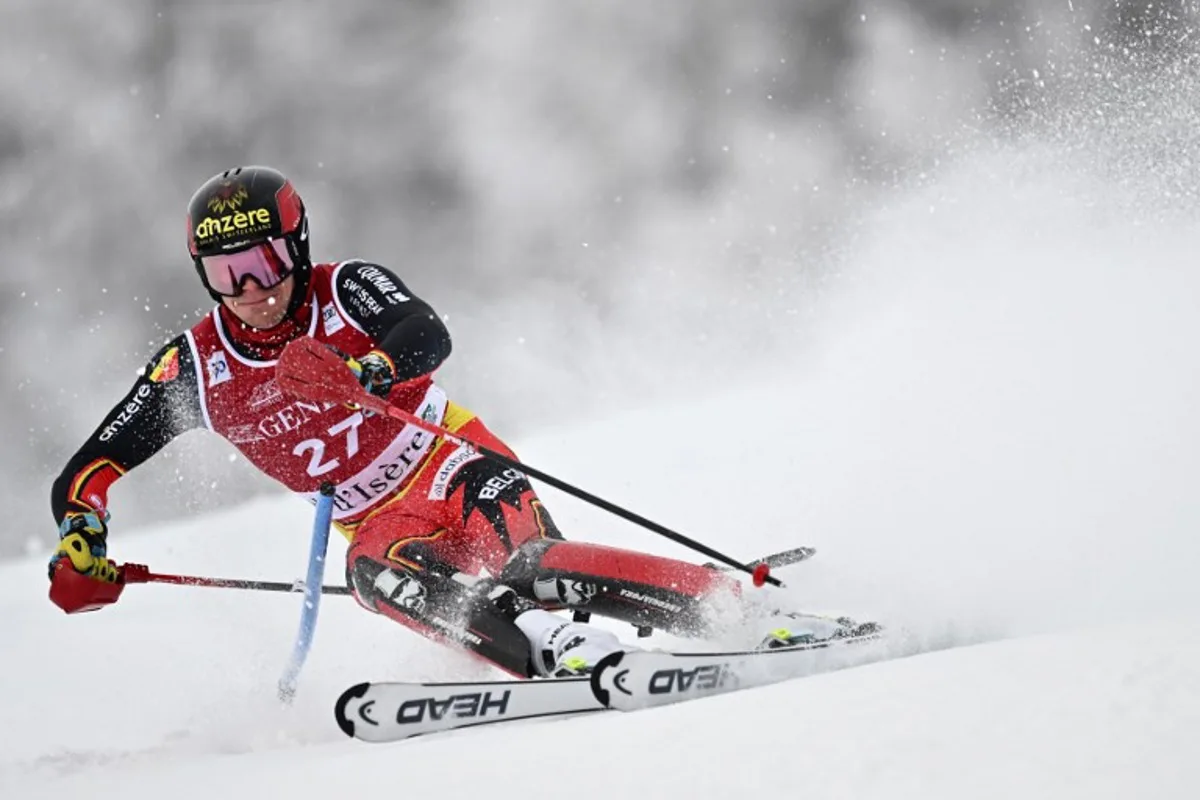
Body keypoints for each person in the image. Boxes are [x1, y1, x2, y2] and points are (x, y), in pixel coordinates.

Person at [49, 165, 869, 679]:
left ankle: (738, 609)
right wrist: (80, 540)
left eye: (265, 262)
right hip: (373, 517)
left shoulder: (345, 289)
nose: (253, 288)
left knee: (533, 564)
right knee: (376, 578)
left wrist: (368, 370)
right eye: (228, 274)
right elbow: (91, 468)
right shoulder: (195, 365)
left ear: (298, 249)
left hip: (451, 461)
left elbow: (425, 333)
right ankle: (544, 654)